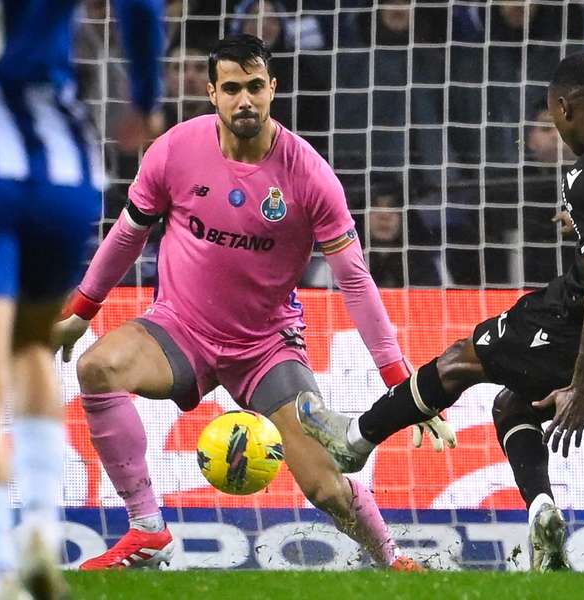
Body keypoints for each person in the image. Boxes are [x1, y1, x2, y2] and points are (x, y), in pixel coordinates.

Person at [52, 33, 450, 571]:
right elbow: (128, 235)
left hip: (266, 347)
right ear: (212, 92)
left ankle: (392, 558)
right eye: (233, 88)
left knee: (326, 487)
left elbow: (354, 280)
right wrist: (81, 311)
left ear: (273, 89)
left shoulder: (309, 175)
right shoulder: (173, 149)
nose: (245, 100)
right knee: (98, 369)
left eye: (256, 87)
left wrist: (398, 380)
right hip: (180, 329)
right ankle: (148, 532)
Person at [297, 53, 584, 572]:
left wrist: (580, 384)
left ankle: (356, 440)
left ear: (563, 106)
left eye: (554, 118)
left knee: (463, 359)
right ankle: (543, 514)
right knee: (512, 408)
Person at [0, 1, 163, 598]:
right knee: (31, 346)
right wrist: (144, 94)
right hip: (60, 167)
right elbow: (140, 5)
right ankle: (39, 524)